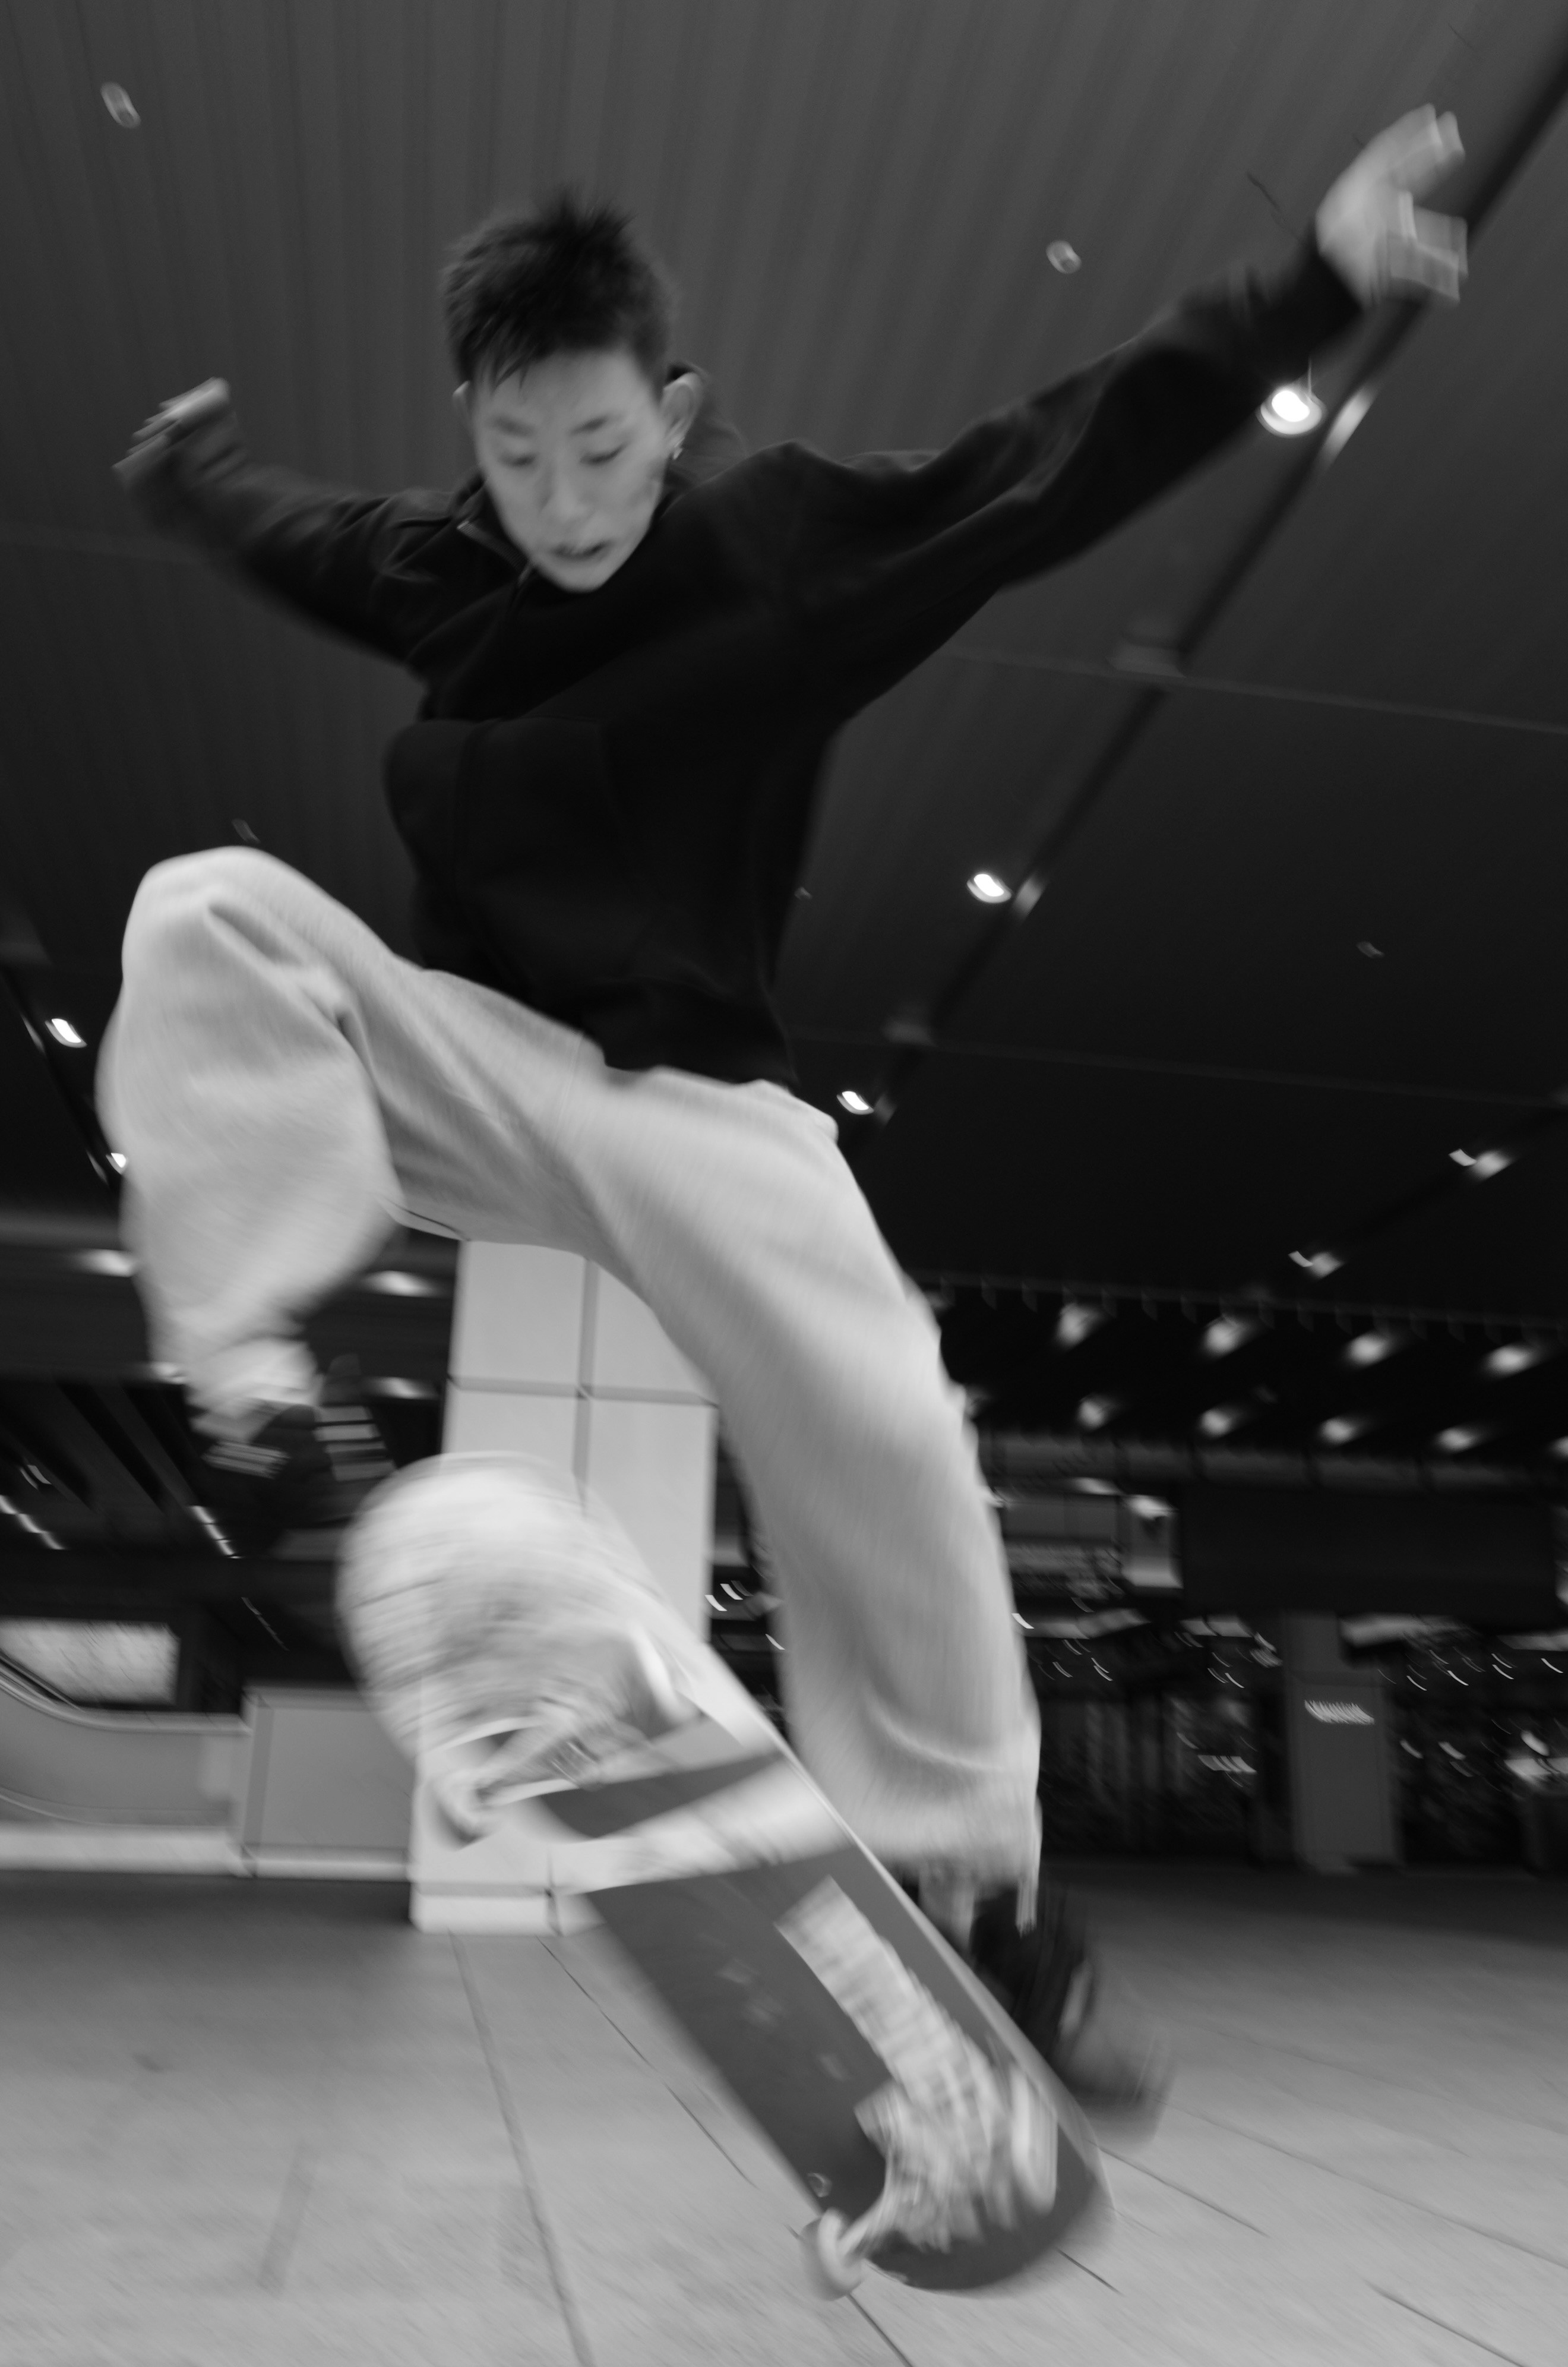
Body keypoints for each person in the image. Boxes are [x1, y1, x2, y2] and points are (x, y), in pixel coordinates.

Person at [102, 109, 1465, 2119]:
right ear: (474, 433)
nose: (564, 503)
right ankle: (258, 1407)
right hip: (473, 1065)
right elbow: (288, 532)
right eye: (517, 457)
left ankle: (982, 1896)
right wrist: (186, 477)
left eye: (601, 450)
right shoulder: (442, 566)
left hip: (695, 1107)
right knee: (204, 912)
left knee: (886, 1419)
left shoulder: (783, 542)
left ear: (671, 412)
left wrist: (1313, 282)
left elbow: (1048, 463)